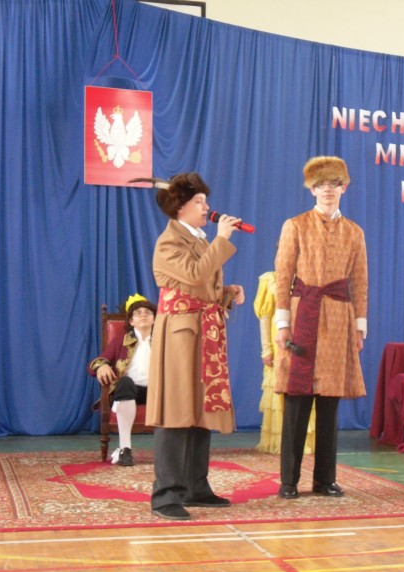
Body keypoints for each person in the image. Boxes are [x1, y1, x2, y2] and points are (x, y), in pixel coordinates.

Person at [145, 172, 245, 521]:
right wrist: (223, 239)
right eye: (199, 202)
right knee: (176, 412)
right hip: (180, 336)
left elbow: (201, 286)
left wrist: (226, 293)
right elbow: (195, 275)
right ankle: (165, 495)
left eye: (205, 200)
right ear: (180, 207)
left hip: (202, 332)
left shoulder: (198, 240)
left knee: (199, 411)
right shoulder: (169, 242)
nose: (207, 207)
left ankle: (195, 487)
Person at [273, 156, 368, 500]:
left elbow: (360, 282)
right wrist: (282, 323)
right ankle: (289, 480)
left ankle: (325, 479)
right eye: (321, 185)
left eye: (334, 184)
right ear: (312, 189)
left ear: (344, 188)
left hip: (339, 320)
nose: (327, 190)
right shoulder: (295, 225)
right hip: (303, 316)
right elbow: (283, 276)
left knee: (329, 404)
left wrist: (359, 327)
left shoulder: (354, 232)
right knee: (297, 402)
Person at [87, 293, 156, 466]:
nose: (143, 315)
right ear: (131, 321)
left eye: (148, 312)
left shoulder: (164, 342)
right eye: (138, 313)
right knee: (125, 383)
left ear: (154, 319)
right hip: (129, 390)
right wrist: (102, 366)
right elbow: (97, 362)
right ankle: (125, 449)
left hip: (157, 391)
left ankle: (171, 451)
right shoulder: (121, 341)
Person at [253, 270, 315, 455]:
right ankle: (280, 442)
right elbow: (265, 317)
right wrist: (266, 348)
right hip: (279, 341)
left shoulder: (308, 276)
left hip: (304, 339)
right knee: (280, 388)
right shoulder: (270, 279)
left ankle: (305, 441)